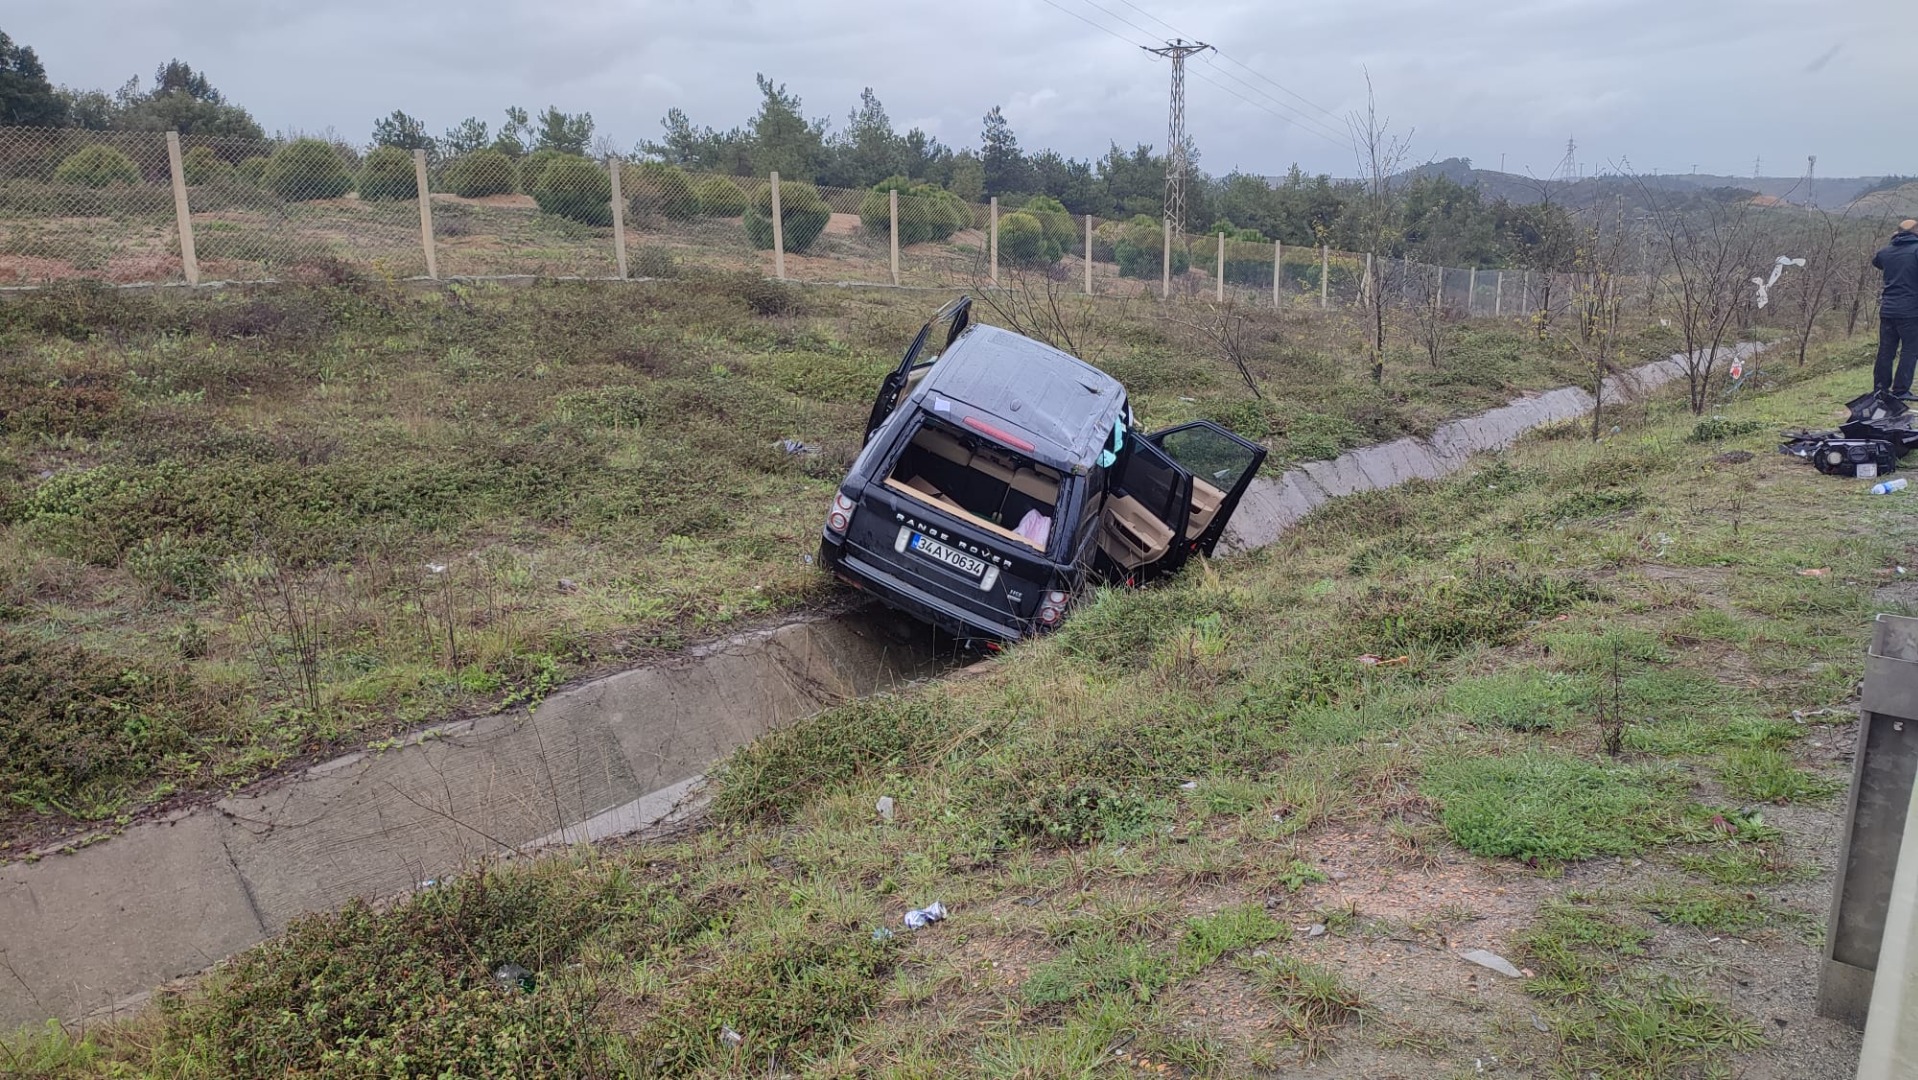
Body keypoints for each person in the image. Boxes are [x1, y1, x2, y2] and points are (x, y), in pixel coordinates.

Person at [1872, 219, 1918, 400]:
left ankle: (1880, 388)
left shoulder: (1886, 251)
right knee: (1910, 349)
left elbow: (1877, 262)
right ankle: (1901, 390)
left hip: (1888, 309)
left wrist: (1894, 241)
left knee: (1886, 350)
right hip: (1910, 310)